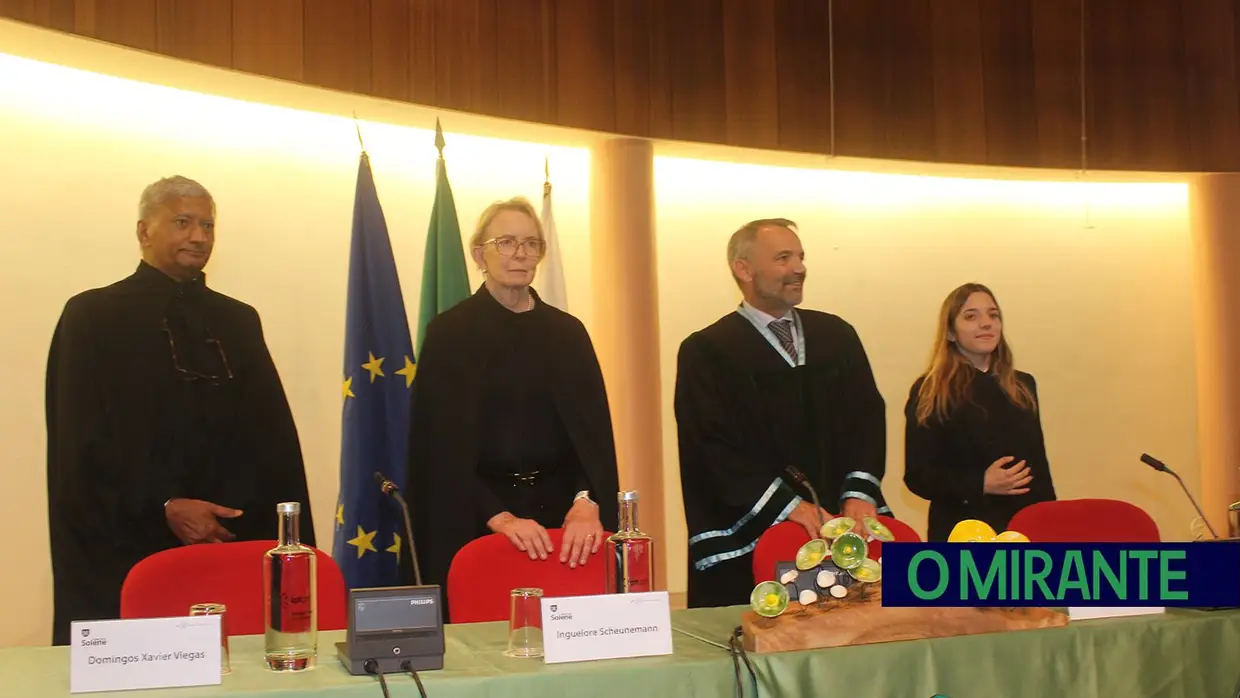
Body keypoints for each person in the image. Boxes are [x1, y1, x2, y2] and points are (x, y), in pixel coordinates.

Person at [44, 176, 316, 646]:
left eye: (207, 225)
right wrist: (164, 504)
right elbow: (79, 443)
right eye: (182, 222)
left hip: (232, 541)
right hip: (128, 545)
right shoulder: (92, 317)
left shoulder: (239, 320)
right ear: (144, 232)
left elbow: (271, 443)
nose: (199, 236)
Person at [405, 196, 620, 619]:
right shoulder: (450, 333)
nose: (520, 254)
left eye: (531, 243)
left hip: (564, 518)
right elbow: (440, 448)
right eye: (505, 242)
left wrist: (586, 502)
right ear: (478, 254)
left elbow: (592, 440)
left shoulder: (568, 333)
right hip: (476, 518)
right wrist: (499, 518)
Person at [674, 218, 889, 609]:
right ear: (744, 269)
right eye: (783, 257)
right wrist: (789, 507)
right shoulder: (707, 351)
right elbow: (711, 447)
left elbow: (867, 417)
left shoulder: (837, 336)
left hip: (844, 518)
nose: (799, 268)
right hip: (756, 530)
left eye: (801, 257)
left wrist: (858, 493)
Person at [903, 282, 1057, 541]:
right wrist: (980, 484)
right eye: (971, 316)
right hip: (960, 531)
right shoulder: (930, 390)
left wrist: (1049, 523)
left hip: (1023, 531)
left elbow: (1039, 469)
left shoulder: (1023, 385)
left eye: (993, 315)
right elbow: (918, 477)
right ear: (951, 332)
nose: (986, 323)